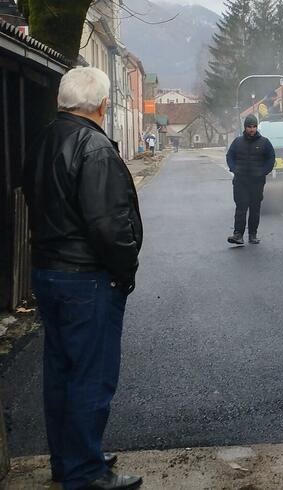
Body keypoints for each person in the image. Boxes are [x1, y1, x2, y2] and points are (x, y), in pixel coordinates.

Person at [22, 67, 143, 490]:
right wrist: (125, 271)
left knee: (61, 374)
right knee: (92, 376)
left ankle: (71, 458)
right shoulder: (94, 147)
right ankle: (87, 474)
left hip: (48, 273)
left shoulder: (44, 139)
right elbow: (107, 225)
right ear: (103, 105)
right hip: (87, 280)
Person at [225, 115, 275, 245]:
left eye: (254, 126)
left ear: (256, 127)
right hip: (240, 181)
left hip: (257, 182)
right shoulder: (237, 142)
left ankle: (252, 235)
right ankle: (238, 235)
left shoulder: (264, 142)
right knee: (241, 207)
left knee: (254, 208)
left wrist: (264, 171)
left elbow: (271, 158)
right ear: (245, 127)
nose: (252, 129)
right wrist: (234, 168)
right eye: (249, 127)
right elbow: (230, 156)